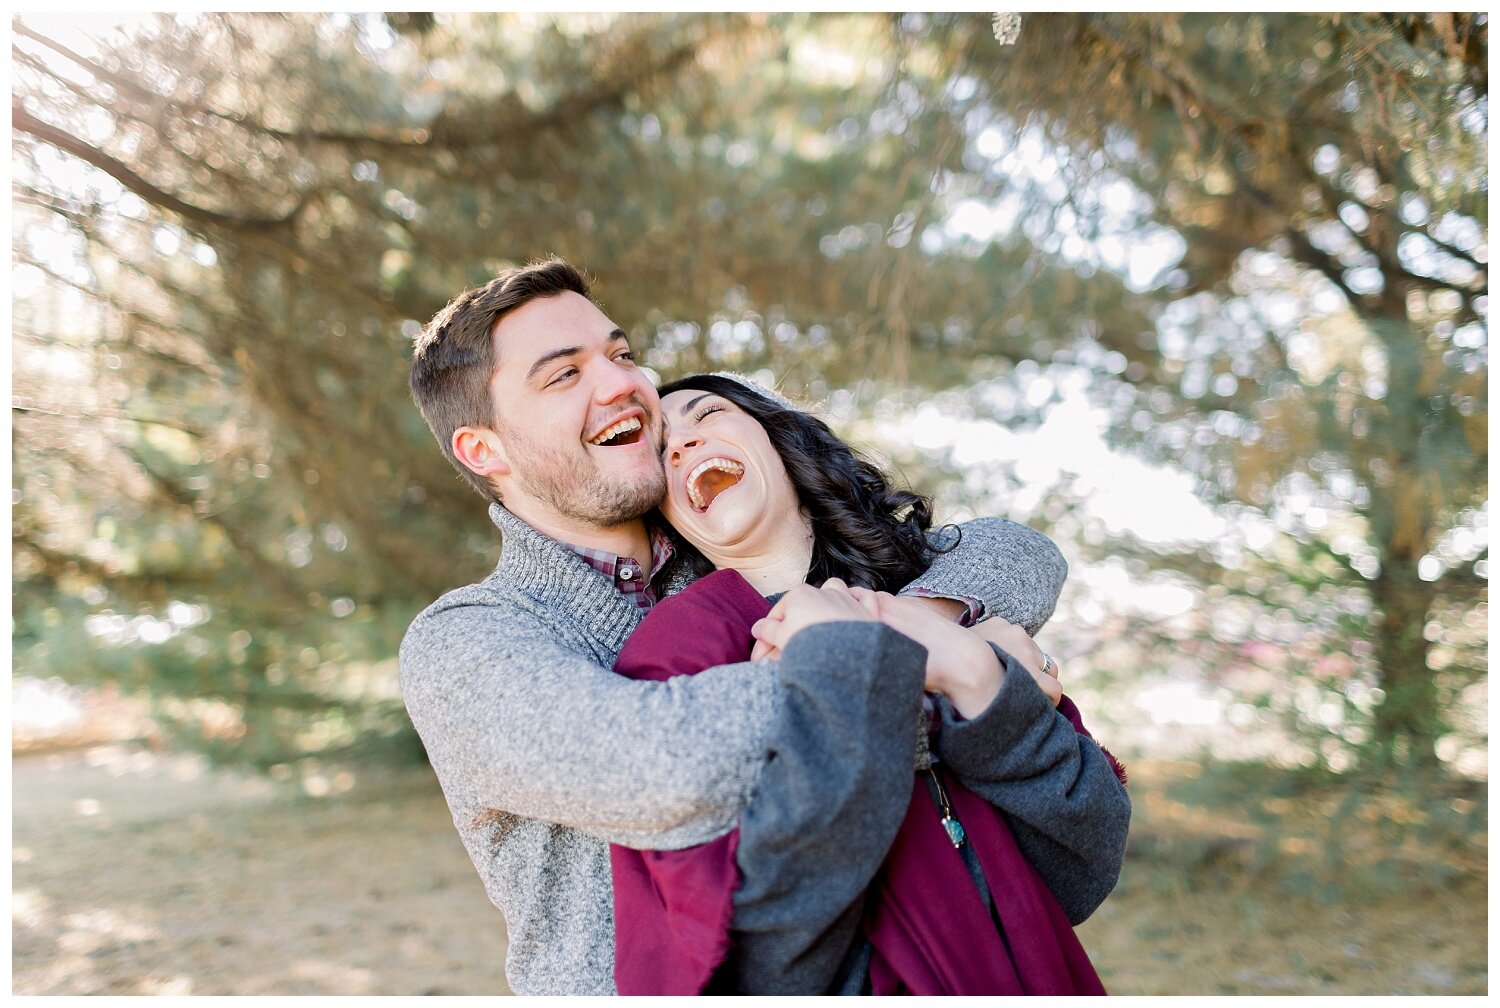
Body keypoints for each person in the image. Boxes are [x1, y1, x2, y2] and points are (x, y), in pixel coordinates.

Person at [399, 257, 1072, 995]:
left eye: (620, 355)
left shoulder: (732, 552)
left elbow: (1012, 551)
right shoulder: (469, 638)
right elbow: (661, 768)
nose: (625, 383)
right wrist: (967, 681)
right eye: (564, 375)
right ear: (484, 448)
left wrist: (926, 624)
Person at [607, 373, 1128, 995]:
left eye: (708, 414)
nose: (683, 446)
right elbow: (751, 937)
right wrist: (908, 675)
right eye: (661, 446)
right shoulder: (680, 646)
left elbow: (1082, 866)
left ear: (778, 439)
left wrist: (968, 671)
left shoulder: (949, 599)